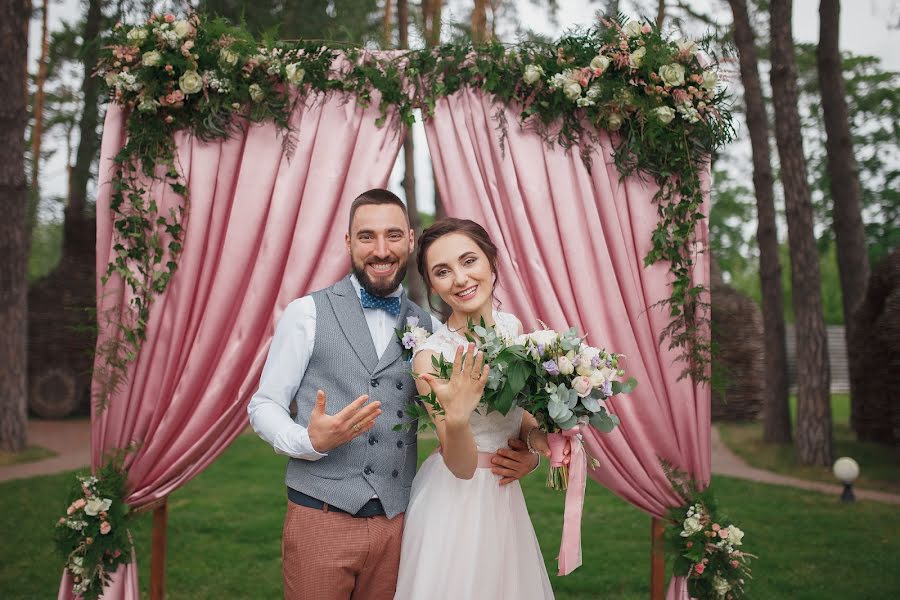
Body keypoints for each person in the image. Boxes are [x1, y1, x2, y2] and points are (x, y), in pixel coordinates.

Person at [248, 190, 540, 600]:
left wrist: (530, 448)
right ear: (348, 242)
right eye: (366, 236)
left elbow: (490, 414)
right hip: (322, 515)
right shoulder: (306, 313)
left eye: (392, 236)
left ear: (408, 239)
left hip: (398, 521)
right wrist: (308, 441)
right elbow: (263, 405)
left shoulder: (426, 329)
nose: (381, 249)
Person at [393, 218, 555, 600]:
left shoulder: (514, 330)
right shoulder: (431, 357)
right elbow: (461, 466)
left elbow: (520, 417)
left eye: (469, 261)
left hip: (502, 495)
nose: (460, 279)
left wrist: (536, 443)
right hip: (453, 500)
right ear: (432, 286)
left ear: (491, 262)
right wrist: (458, 416)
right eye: (442, 272)